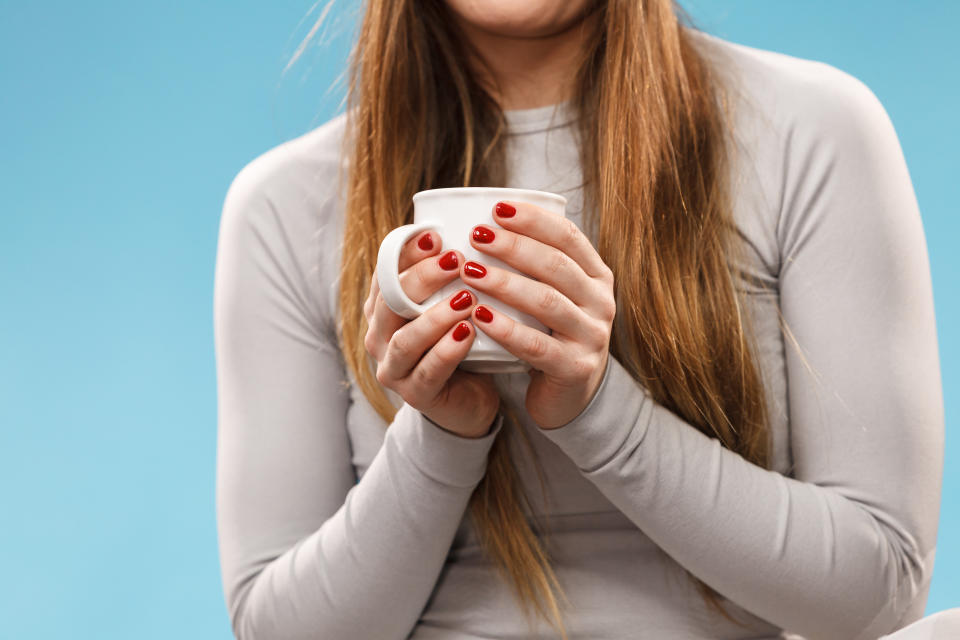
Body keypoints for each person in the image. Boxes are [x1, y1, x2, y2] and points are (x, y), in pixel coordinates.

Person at [213, 1, 945, 638]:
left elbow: (878, 593)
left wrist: (601, 413)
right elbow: (281, 627)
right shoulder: (283, 205)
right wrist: (439, 435)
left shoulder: (810, 130)